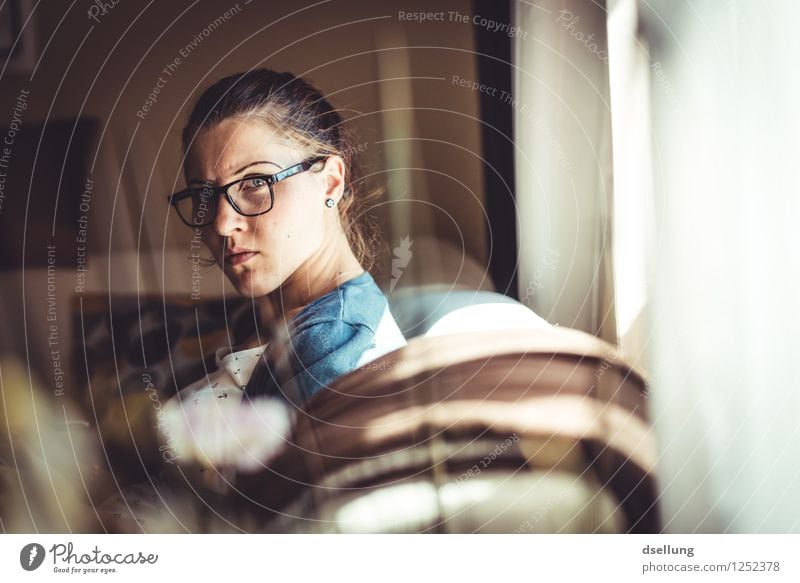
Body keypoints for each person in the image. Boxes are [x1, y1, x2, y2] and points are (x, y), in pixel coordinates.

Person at [159, 69, 407, 480]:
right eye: (205, 196)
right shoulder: (277, 316)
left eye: (255, 182)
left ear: (330, 182)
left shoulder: (329, 349)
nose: (221, 223)